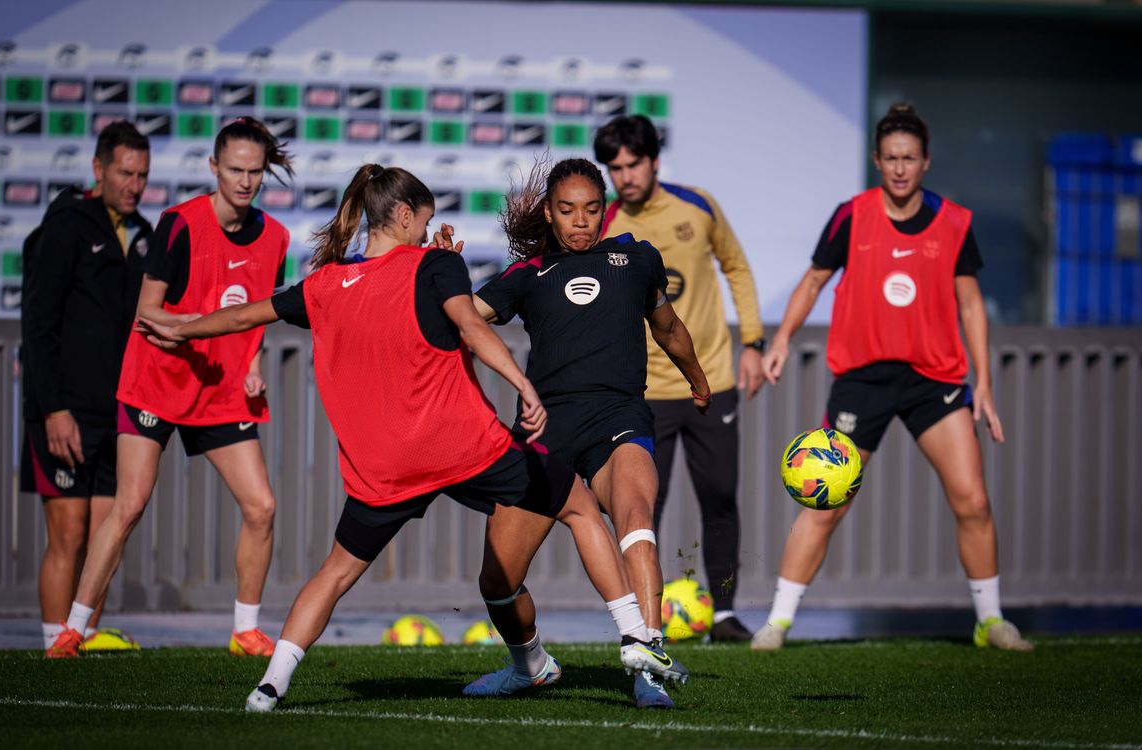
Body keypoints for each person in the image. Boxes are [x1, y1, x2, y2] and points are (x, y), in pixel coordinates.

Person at [135, 164, 673, 712]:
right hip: (460, 447)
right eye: (426, 220)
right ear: (405, 215)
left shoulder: (325, 283)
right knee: (580, 509)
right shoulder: (435, 265)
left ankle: (269, 686)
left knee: (335, 572)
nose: (428, 231)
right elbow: (470, 326)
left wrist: (181, 326)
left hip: (383, 468)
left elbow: (246, 315)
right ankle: (635, 638)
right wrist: (520, 383)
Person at [751, 103, 1032, 653]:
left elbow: (971, 306)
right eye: (890, 159)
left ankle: (991, 620)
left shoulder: (954, 222)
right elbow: (813, 281)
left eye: (910, 158)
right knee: (825, 502)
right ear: (877, 161)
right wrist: (781, 339)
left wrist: (986, 384)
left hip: (936, 379)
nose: (900, 168)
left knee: (972, 499)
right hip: (863, 379)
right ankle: (778, 623)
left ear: (926, 162)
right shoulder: (851, 215)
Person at [463, 157, 712, 709]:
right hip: (544, 430)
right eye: (568, 210)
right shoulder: (525, 276)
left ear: (606, 210)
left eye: (592, 209)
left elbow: (668, 328)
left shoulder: (636, 260)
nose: (581, 221)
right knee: (496, 582)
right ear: (548, 214)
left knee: (636, 522)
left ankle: (648, 664)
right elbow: (464, 321)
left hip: (618, 418)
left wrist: (698, 380)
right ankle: (529, 666)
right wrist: (439, 269)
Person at [46, 117, 293, 658]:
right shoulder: (179, 224)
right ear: (214, 167)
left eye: (255, 171)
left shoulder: (275, 237)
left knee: (263, 506)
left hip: (222, 390)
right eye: (235, 170)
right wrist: (196, 329)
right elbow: (146, 313)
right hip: (156, 382)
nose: (246, 181)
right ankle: (73, 629)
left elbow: (254, 316)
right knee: (129, 505)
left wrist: (250, 361)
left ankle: (245, 630)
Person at [594, 115, 765, 642]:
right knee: (643, 508)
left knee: (720, 495)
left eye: (633, 164)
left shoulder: (699, 206)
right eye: (615, 168)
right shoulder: (602, 223)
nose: (624, 176)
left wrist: (753, 343)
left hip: (710, 381)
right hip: (643, 393)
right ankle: (641, 622)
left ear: (654, 161)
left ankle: (725, 614)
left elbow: (736, 267)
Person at [21, 120, 152, 656]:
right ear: (98, 170)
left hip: (118, 411)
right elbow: (38, 323)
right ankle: (55, 641)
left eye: (142, 174)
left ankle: (85, 637)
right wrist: (53, 408)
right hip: (64, 410)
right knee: (69, 534)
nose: (134, 184)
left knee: (105, 537)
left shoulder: (145, 234)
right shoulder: (66, 226)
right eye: (125, 172)